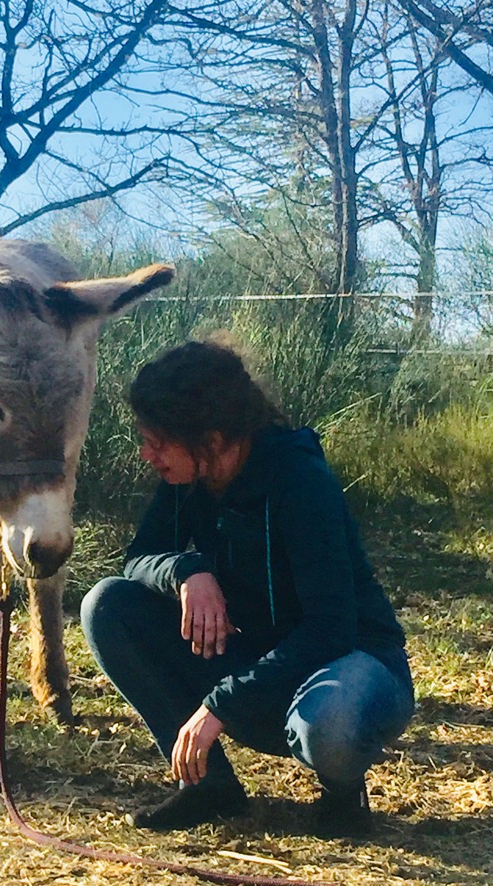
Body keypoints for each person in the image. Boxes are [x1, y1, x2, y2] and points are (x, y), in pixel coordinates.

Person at [81, 339, 414, 837]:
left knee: (330, 723)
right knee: (105, 605)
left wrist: (221, 705)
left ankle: (343, 790)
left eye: (158, 441)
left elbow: (331, 628)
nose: (147, 454)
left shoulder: (301, 481)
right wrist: (187, 571)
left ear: (211, 440)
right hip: (260, 662)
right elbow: (137, 559)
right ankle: (209, 787)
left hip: (352, 663)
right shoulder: (188, 480)